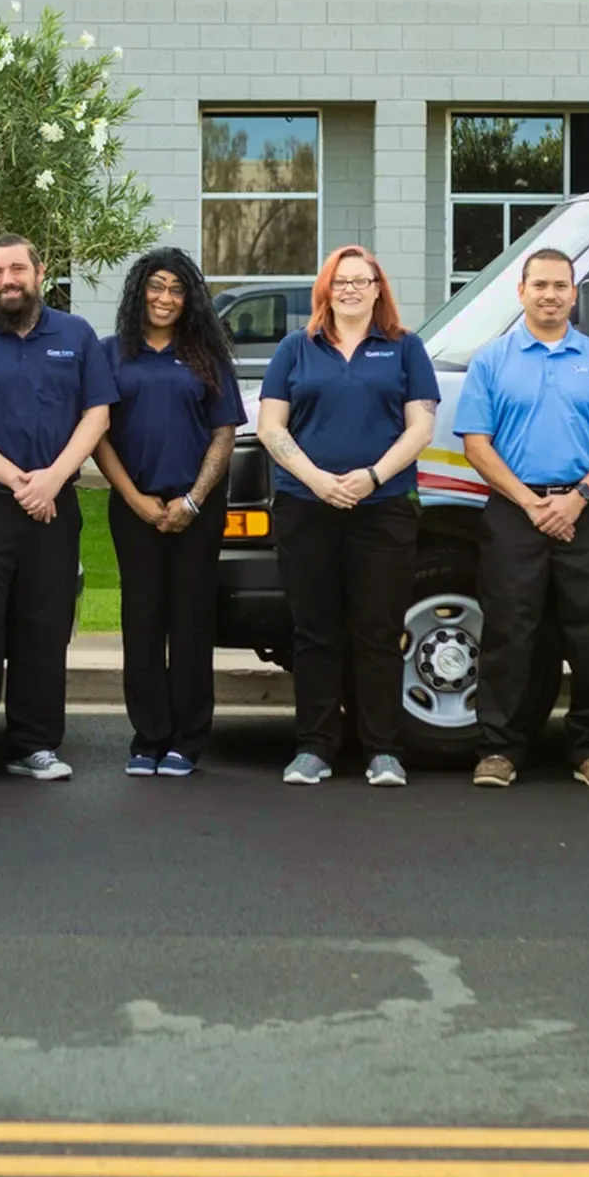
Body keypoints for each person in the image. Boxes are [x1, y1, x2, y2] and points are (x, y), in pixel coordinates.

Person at [0, 234, 116, 788]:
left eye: (17, 269)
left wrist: (53, 478)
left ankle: (34, 744)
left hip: (54, 505)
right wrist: (18, 481)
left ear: (40, 273)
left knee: (44, 627)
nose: (7, 281)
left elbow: (97, 415)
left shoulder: (76, 336)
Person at [254, 244, 438, 788]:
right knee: (314, 632)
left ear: (379, 290)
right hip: (306, 507)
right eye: (341, 281)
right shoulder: (296, 348)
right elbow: (270, 426)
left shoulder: (405, 348)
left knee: (379, 631)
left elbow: (421, 428)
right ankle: (314, 748)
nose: (351, 289)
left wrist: (372, 476)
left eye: (362, 281)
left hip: (382, 509)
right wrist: (316, 479)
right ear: (326, 291)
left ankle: (382, 750)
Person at [456, 246, 589, 790]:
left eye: (561, 286)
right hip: (515, 512)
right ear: (522, 292)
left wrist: (578, 497)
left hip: (586, 510)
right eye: (540, 285)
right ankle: (500, 749)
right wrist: (530, 503)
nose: (550, 295)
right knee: (509, 632)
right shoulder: (491, 360)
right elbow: (476, 444)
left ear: (574, 294)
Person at [94, 247, 246, 777]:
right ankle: (149, 737)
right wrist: (134, 499)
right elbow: (98, 434)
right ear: (140, 292)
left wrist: (193, 500)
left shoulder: (207, 354)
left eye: (177, 289)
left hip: (197, 508)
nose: (165, 298)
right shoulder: (111, 353)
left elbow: (224, 434)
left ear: (190, 299)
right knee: (141, 622)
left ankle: (187, 739)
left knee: (190, 622)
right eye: (156, 286)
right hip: (133, 505)